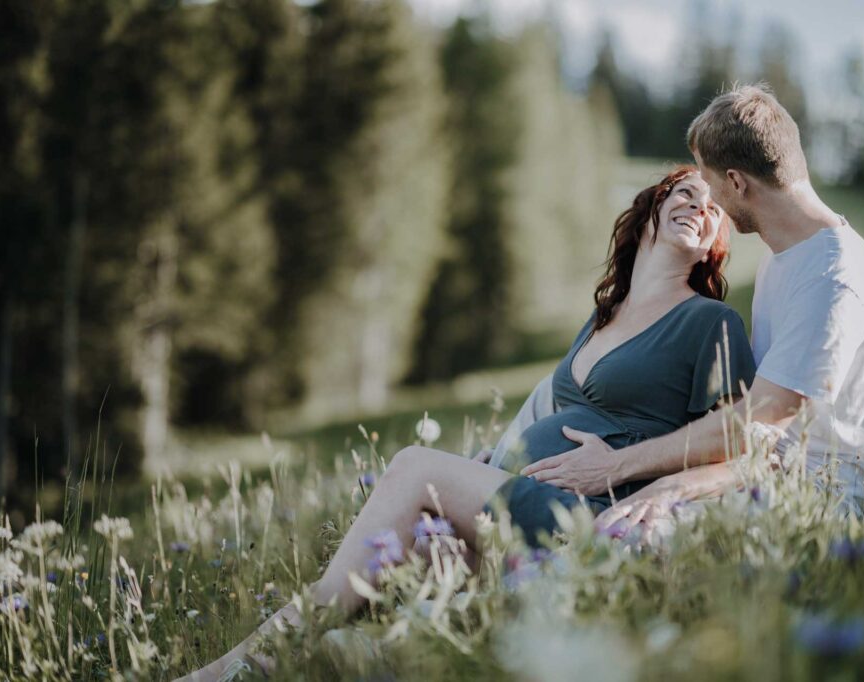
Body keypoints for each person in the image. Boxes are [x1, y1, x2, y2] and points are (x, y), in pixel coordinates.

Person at [178, 166, 756, 680]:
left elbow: (741, 443)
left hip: (594, 515)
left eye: (712, 207)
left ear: (714, 245)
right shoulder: (603, 315)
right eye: (685, 193)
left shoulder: (710, 323)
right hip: (533, 500)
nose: (698, 206)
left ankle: (235, 667)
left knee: (414, 467)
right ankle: (272, 664)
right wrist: (496, 464)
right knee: (410, 558)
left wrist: (628, 474)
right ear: (651, 209)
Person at [523, 84, 864, 535]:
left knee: (615, 538)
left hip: (816, 498)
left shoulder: (833, 272)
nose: (708, 200)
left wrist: (626, 469)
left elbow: (760, 420)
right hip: (752, 478)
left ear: (736, 182)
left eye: (709, 182)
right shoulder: (783, 259)